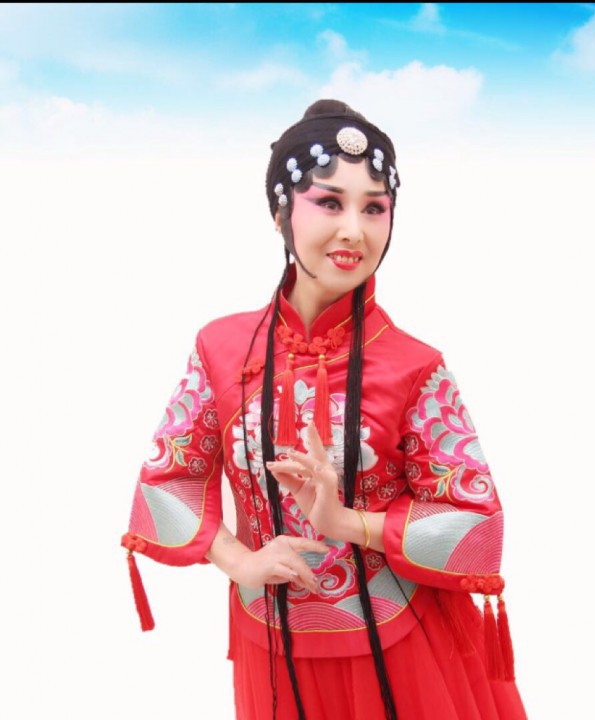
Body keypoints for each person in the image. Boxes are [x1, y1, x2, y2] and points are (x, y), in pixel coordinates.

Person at [122, 99, 527, 720]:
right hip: (268, 641)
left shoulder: (415, 366)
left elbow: (476, 525)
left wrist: (348, 523)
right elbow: (168, 479)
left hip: (402, 645)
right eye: (330, 203)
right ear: (281, 213)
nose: (354, 231)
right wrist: (239, 560)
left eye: (374, 208)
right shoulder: (221, 349)